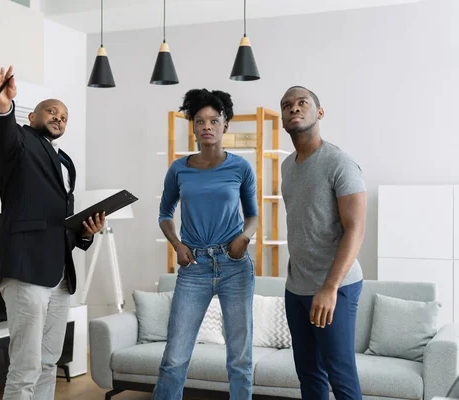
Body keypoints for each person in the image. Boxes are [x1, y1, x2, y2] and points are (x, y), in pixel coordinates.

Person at [0, 65, 105, 400]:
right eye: (51, 111)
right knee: (25, 366)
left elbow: (59, 221)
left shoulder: (65, 160)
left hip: (60, 276)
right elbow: (1, 134)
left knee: (49, 362)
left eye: (65, 116)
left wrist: (86, 232)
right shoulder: (19, 142)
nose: (59, 118)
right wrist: (4, 104)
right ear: (32, 115)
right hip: (26, 270)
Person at [152, 88, 258, 400]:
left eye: (214, 120)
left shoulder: (240, 167)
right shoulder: (179, 168)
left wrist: (244, 237)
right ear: (193, 127)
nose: (207, 126)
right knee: (174, 357)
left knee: (240, 358)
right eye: (200, 121)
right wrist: (176, 244)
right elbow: (164, 213)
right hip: (193, 267)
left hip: (234, 266)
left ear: (226, 125)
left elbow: (252, 215)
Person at [279, 86, 367, 400]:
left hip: (336, 286)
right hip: (297, 286)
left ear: (319, 112)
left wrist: (329, 288)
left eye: (302, 102)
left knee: (339, 373)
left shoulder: (339, 163)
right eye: (287, 105)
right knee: (309, 374)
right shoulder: (287, 166)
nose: (294, 108)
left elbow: (355, 230)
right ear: (283, 119)